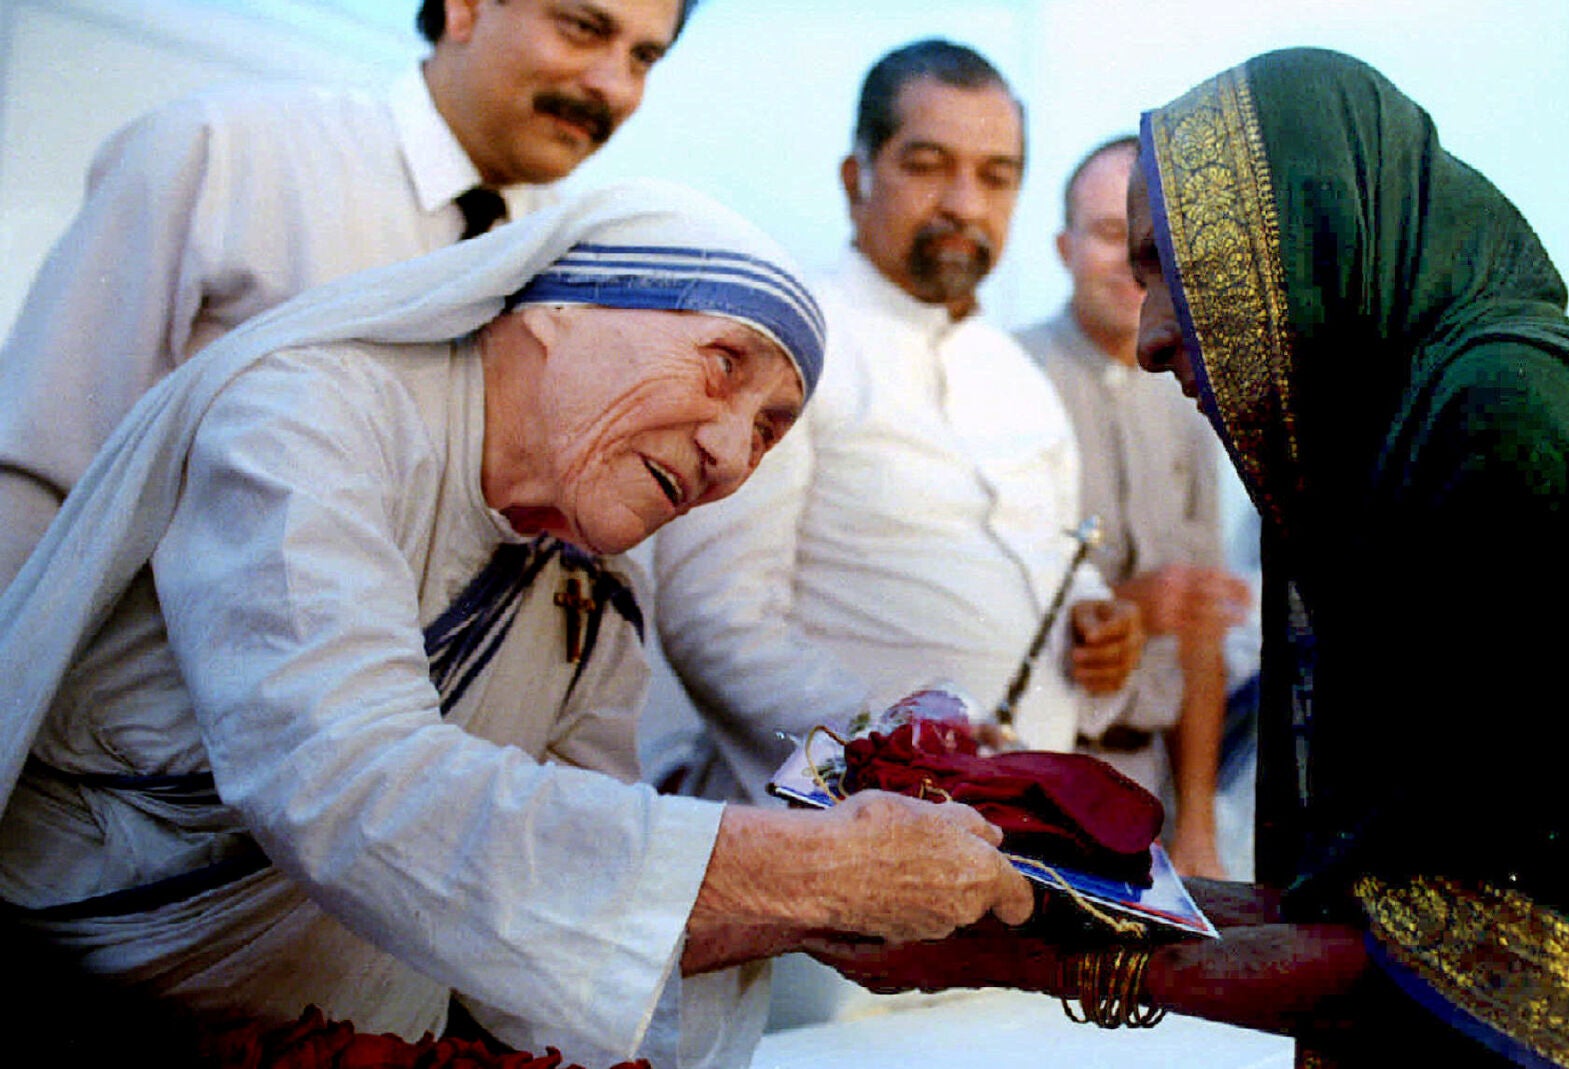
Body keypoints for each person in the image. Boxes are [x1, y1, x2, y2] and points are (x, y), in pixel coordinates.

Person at [810, 49, 1569, 1068]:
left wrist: (1004, 951)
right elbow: (1371, 908)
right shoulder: (1446, 410)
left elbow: (1444, 957)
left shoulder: (1500, 421)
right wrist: (1039, 893)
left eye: (1171, 269)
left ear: (1296, 241)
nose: (1147, 336)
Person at [0, 184, 1034, 1069]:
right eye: (724, 364)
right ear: (557, 307)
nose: (729, 452)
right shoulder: (307, 415)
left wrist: (836, 910)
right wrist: (822, 870)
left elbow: (566, 880)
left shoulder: (594, 576)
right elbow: (345, 780)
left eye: (771, 428)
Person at [0, 0, 696, 588]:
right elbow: (36, 466)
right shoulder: (227, 152)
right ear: (465, 7)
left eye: (644, 59)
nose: (614, 85)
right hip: (131, 728)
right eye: (583, 28)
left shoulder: (582, 273)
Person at [649, 39, 1143, 807]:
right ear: (858, 179)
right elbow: (718, 620)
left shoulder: (1019, 377)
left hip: (1018, 835)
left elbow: (1052, 564)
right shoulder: (787, 345)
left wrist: (1095, 626)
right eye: (926, 164)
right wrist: (895, 755)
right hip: (831, 837)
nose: (964, 204)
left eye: (995, 176)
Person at [1015, 135, 1251, 879]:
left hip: (1148, 789)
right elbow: (978, 604)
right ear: (1064, 245)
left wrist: (1198, 828)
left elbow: (1201, 640)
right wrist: (1131, 605)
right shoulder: (1005, 378)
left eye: (1147, 246)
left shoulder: (1189, 397)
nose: (1126, 266)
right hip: (1032, 778)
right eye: (1108, 236)